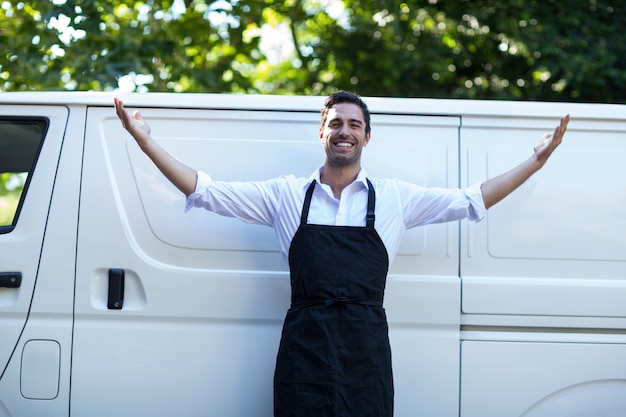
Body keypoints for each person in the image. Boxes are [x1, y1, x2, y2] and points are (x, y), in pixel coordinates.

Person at [114, 91, 569, 417]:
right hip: (304, 347)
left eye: (354, 124)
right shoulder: (285, 196)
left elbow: (473, 198)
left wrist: (537, 162)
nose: (344, 131)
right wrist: (144, 140)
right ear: (322, 133)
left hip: (365, 352)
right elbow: (205, 190)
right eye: (336, 122)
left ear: (367, 137)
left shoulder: (394, 198)